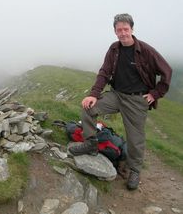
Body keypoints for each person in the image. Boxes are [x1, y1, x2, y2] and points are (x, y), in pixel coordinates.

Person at [68, 13, 172, 190]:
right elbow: (104, 72)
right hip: (116, 95)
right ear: (115, 31)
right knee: (88, 108)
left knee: (135, 137)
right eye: (119, 30)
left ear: (132, 29)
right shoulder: (114, 49)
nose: (123, 33)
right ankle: (91, 144)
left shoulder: (146, 50)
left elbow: (166, 71)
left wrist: (155, 94)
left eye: (126, 29)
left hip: (137, 100)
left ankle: (134, 170)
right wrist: (93, 94)